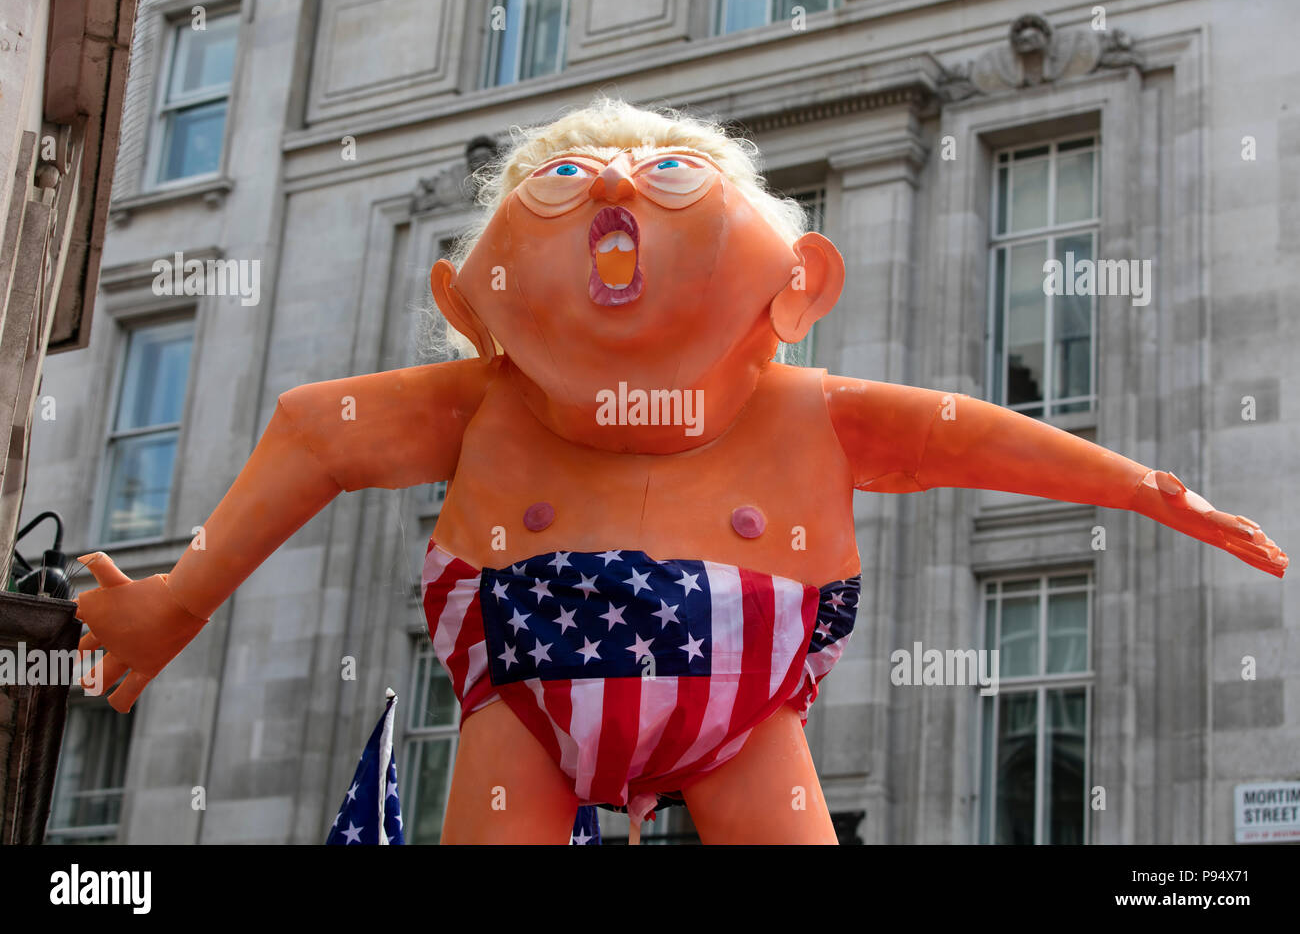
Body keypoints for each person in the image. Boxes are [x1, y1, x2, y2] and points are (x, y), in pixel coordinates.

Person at [74, 98, 1287, 844]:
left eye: (667, 178)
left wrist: (1151, 491)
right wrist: (177, 600)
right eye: (563, 183)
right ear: (472, 303)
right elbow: (311, 431)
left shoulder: (808, 410)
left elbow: (969, 433)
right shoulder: (479, 400)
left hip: (742, 726)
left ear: (794, 288)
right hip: (526, 717)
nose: (612, 188)